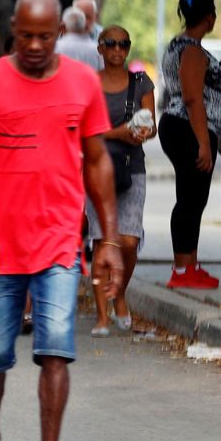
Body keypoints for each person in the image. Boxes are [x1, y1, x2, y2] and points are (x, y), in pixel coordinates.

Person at [0, 0, 122, 441]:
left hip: (59, 244)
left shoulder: (81, 83)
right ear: (12, 28)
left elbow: (97, 161)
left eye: (44, 36)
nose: (33, 45)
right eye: (24, 35)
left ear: (59, 35)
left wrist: (107, 240)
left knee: (56, 351)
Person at [86, 25, 155, 336]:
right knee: (102, 241)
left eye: (124, 44)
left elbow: (150, 123)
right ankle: (102, 316)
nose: (117, 49)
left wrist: (143, 132)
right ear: (100, 48)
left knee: (128, 242)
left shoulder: (141, 83)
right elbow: (81, 131)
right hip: (96, 167)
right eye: (111, 44)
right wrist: (118, 133)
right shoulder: (88, 84)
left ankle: (120, 293)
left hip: (131, 167)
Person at [158, 0, 221, 289]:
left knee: (193, 196)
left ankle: (189, 265)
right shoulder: (193, 51)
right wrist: (204, 142)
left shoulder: (177, 45)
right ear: (209, 18)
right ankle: (182, 270)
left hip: (180, 126)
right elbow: (193, 98)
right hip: (189, 127)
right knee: (190, 197)